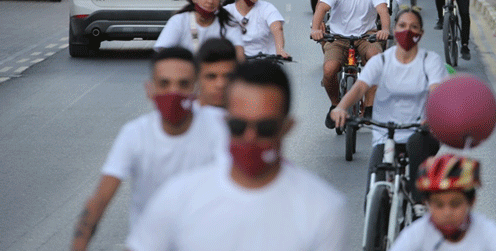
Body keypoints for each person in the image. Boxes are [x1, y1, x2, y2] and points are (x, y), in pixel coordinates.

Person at [126, 60, 347, 251]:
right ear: (225, 123)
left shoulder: (323, 209)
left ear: (287, 127)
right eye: (239, 126)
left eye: (265, 128)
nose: (250, 138)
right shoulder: (178, 196)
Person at [71, 48, 228, 251]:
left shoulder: (221, 127)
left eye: (183, 84)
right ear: (149, 90)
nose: (173, 92)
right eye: (164, 84)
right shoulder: (135, 134)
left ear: (196, 91)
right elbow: (100, 200)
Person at [329, 8, 445, 197]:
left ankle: (418, 207)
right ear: (394, 29)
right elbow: (359, 88)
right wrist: (341, 107)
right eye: (402, 26)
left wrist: (432, 117)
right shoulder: (381, 61)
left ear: (421, 33)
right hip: (386, 135)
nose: (407, 31)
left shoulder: (430, 61)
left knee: (418, 175)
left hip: (421, 131)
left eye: (413, 27)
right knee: (373, 191)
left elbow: (436, 91)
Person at [311, 0, 389, 124]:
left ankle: (369, 108)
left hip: (366, 37)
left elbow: (382, 10)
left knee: (375, 61)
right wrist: (316, 29)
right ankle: (334, 106)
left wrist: (385, 30)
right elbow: (322, 8)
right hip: (338, 38)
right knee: (329, 70)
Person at [389, 154, 496, 251]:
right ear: (427, 203)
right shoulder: (416, 234)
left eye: (455, 204)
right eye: (439, 205)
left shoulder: (488, 233)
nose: (447, 213)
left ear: (471, 202)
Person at [154, 0, 245, 60]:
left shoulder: (229, 23)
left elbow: (239, 56)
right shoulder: (178, 21)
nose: (210, 1)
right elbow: (164, 56)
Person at [223, 0, 290, 59]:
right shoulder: (226, 11)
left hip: (265, 62)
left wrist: (280, 50)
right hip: (236, 63)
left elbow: (277, 28)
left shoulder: (267, 8)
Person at [195, 38, 238, 108]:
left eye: (228, 76)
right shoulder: (184, 116)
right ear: (196, 77)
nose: (220, 84)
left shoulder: (251, 115)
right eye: (211, 76)